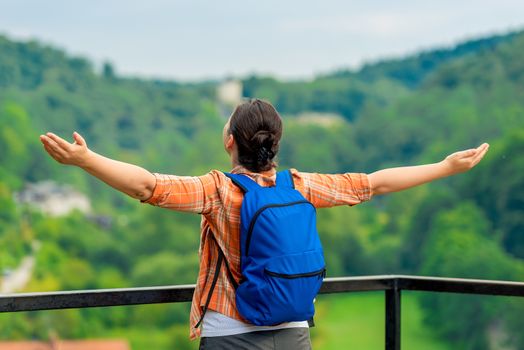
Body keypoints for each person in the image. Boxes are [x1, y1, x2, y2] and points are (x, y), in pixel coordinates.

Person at [40, 98, 489, 350]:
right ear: (276, 143)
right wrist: (445, 167)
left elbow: (147, 186)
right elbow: (373, 184)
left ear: (229, 141)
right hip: (294, 332)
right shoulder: (300, 184)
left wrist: (86, 160)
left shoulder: (219, 190)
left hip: (231, 335)